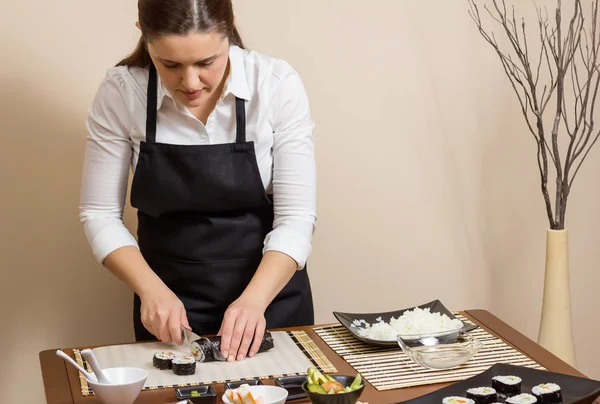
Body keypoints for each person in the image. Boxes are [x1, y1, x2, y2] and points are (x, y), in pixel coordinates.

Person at [79, 0, 316, 363]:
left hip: (270, 299)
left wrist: (254, 301)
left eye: (207, 62)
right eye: (170, 64)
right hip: (168, 308)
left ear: (229, 30)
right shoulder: (122, 92)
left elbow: (296, 218)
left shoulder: (274, 84)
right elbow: (99, 213)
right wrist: (150, 291)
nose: (190, 83)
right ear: (143, 33)